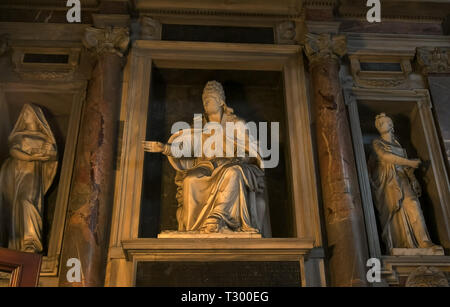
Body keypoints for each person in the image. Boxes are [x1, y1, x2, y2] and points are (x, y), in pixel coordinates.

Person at [143, 81, 271, 237]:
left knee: (234, 173)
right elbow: (185, 149)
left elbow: (251, 150)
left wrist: (240, 158)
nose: (205, 104)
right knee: (190, 180)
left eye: (209, 100)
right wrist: (164, 149)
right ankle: (193, 230)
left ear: (220, 101)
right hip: (206, 167)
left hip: (230, 166)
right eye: (204, 101)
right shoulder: (198, 127)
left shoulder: (236, 124)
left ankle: (217, 218)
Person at [369, 113, 437, 251]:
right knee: (394, 210)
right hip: (388, 181)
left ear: (391, 125)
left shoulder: (397, 143)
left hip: (401, 177)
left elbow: (407, 168)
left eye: (384, 122)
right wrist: (410, 162)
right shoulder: (377, 143)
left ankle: (423, 242)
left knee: (413, 204)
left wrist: (413, 180)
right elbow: (385, 156)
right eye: (379, 124)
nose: (381, 124)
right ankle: (399, 244)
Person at [0, 104, 58, 253]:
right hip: (17, 174)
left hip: (33, 174)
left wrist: (43, 155)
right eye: (23, 114)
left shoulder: (45, 138)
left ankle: (32, 242)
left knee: (27, 200)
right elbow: (13, 151)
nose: (24, 116)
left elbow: (52, 154)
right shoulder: (18, 136)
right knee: (16, 205)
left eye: (27, 113)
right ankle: (17, 244)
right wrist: (31, 156)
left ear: (36, 117)